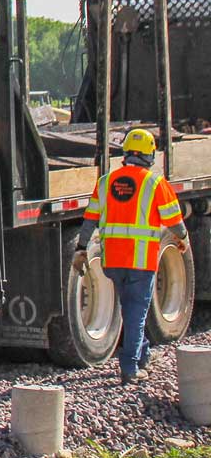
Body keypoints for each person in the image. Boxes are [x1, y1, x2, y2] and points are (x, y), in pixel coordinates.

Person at [72, 127, 189, 384]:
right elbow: (175, 222)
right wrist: (183, 240)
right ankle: (130, 367)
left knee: (131, 308)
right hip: (141, 261)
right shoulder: (156, 183)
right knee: (137, 310)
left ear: (126, 153)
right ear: (150, 155)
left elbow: (89, 220)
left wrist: (81, 249)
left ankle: (143, 353)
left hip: (112, 261)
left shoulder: (105, 182)